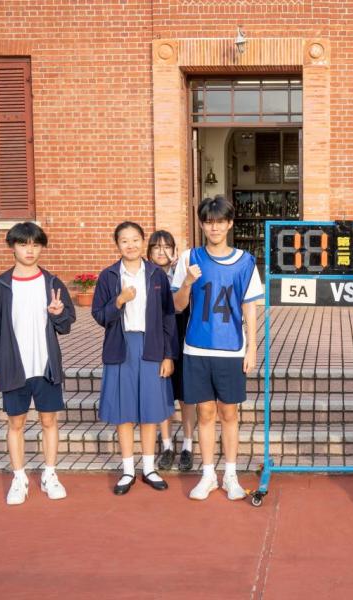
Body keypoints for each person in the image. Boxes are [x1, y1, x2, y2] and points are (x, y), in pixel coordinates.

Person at [172, 196, 264, 501]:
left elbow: (250, 306)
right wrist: (187, 282)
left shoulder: (246, 261)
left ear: (229, 224)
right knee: (205, 412)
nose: (214, 227)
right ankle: (208, 474)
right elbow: (177, 305)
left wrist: (252, 348)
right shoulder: (189, 258)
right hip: (197, 347)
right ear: (201, 224)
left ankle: (231, 475)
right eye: (209, 222)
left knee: (229, 413)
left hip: (231, 348)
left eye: (220, 222)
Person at [0, 222, 75, 505]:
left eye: (35, 244)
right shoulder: (0, 286)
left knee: (49, 421)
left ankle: (50, 474)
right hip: (13, 367)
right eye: (23, 244)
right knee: (16, 423)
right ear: (13, 247)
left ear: (42, 247)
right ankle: (19, 478)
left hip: (46, 367)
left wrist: (58, 313)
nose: (30, 250)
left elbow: (66, 324)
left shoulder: (52, 283)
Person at [92, 221, 177, 495]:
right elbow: (99, 315)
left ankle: (149, 468)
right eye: (124, 240)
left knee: (150, 412)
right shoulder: (108, 276)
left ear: (143, 242)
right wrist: (118, 301)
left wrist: (168, 355)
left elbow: (168, 317)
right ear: (117, 244)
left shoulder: (156, 275)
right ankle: (128, 470)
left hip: (151, 346)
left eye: (135, 239)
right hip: (121, 347)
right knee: (124, 413)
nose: (130, 245)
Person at [147, 230, 195, 472]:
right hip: (158, 341)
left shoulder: (184, 273)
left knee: (186, 395)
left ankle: (188, 445)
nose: (162, 251)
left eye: (167, 247)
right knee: (163, 394)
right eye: (156, 247)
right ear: (149, 252)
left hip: (184, 338)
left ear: (175, 251)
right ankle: (167, 445)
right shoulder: (145, 275)